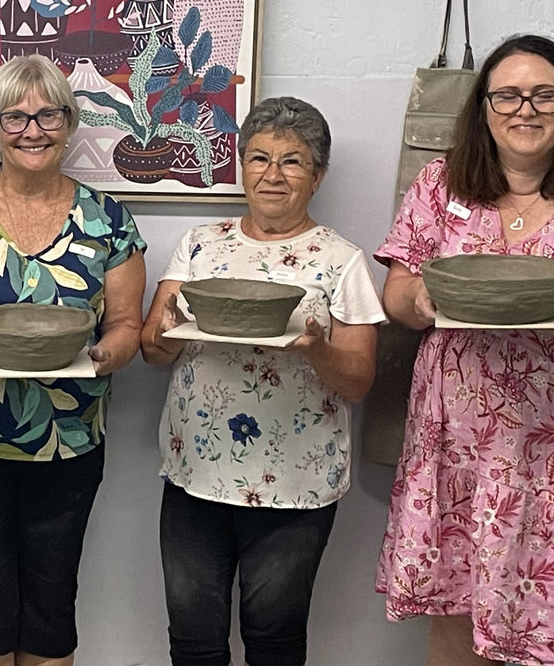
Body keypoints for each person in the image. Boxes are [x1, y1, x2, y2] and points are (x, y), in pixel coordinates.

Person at [0, 53, 146, 666]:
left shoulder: (107, 220)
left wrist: (101, 356)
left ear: (69, 123)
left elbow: (125, 325)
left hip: (69, 438)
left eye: (48, 115)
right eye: (14, 117)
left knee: (49, 604)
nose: (32, 130)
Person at [375, 34, 554, 666]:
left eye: (544, 94)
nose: (524, 109)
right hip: (456, 445)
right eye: (506, 94)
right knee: (456, 607)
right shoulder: (438, 184)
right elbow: (395, 291)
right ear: (482, 108)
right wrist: (418, 301)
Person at [139, 96, 383, 666]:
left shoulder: (340, 260)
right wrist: (168, 333)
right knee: (194, 641)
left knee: (273, 639)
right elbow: (153, 350)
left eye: (292, 161)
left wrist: (319, 349)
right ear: (240, 164)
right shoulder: (200, 245)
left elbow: (359, 380)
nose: (273, 174)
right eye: (259, 158)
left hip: (295, 483)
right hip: (195, 475)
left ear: (318, 176)